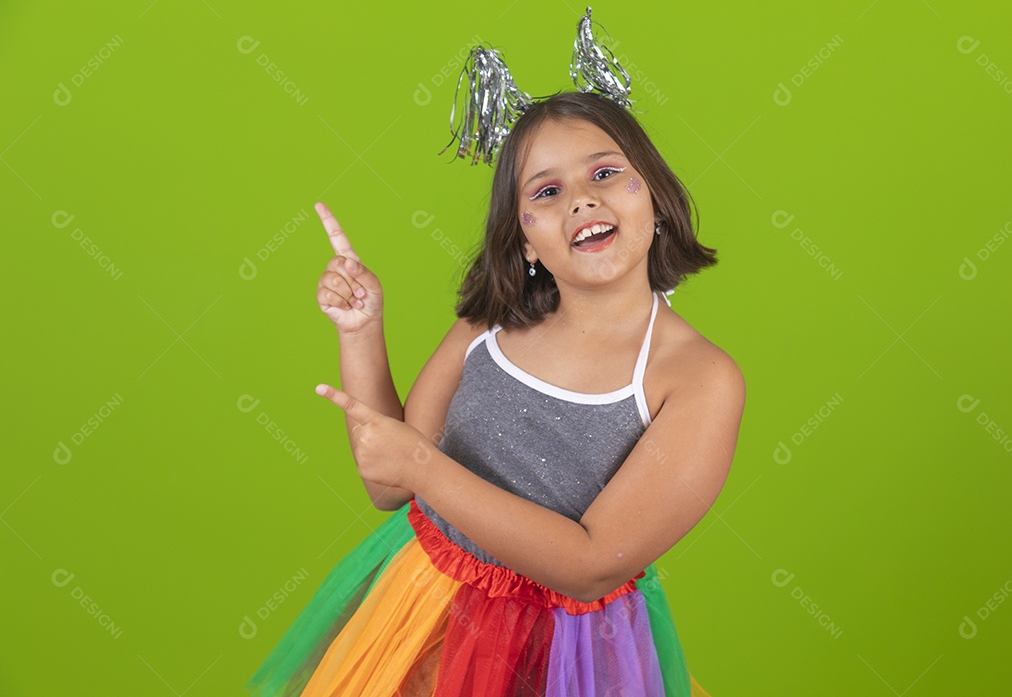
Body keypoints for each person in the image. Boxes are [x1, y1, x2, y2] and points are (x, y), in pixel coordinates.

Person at [245, 83, 744, 697]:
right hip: (424, 617)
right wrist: (361, 330)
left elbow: (591, 567)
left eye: (606, 173)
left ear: (657, 198)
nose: (583, 201)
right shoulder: (490, 326)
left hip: (565, 656)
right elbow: (390, 481)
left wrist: (426, 468)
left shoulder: (696, 378)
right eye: (547, 191)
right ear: (527, 239)